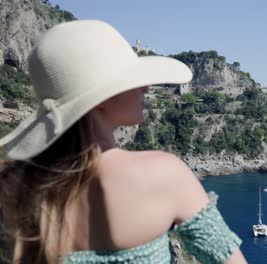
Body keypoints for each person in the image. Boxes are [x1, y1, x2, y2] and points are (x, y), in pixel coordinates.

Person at [0, 20, 247, 264]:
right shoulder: (163, 173)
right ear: (101, 99)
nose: (146, 87)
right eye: (130, 80)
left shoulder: (17, 185)